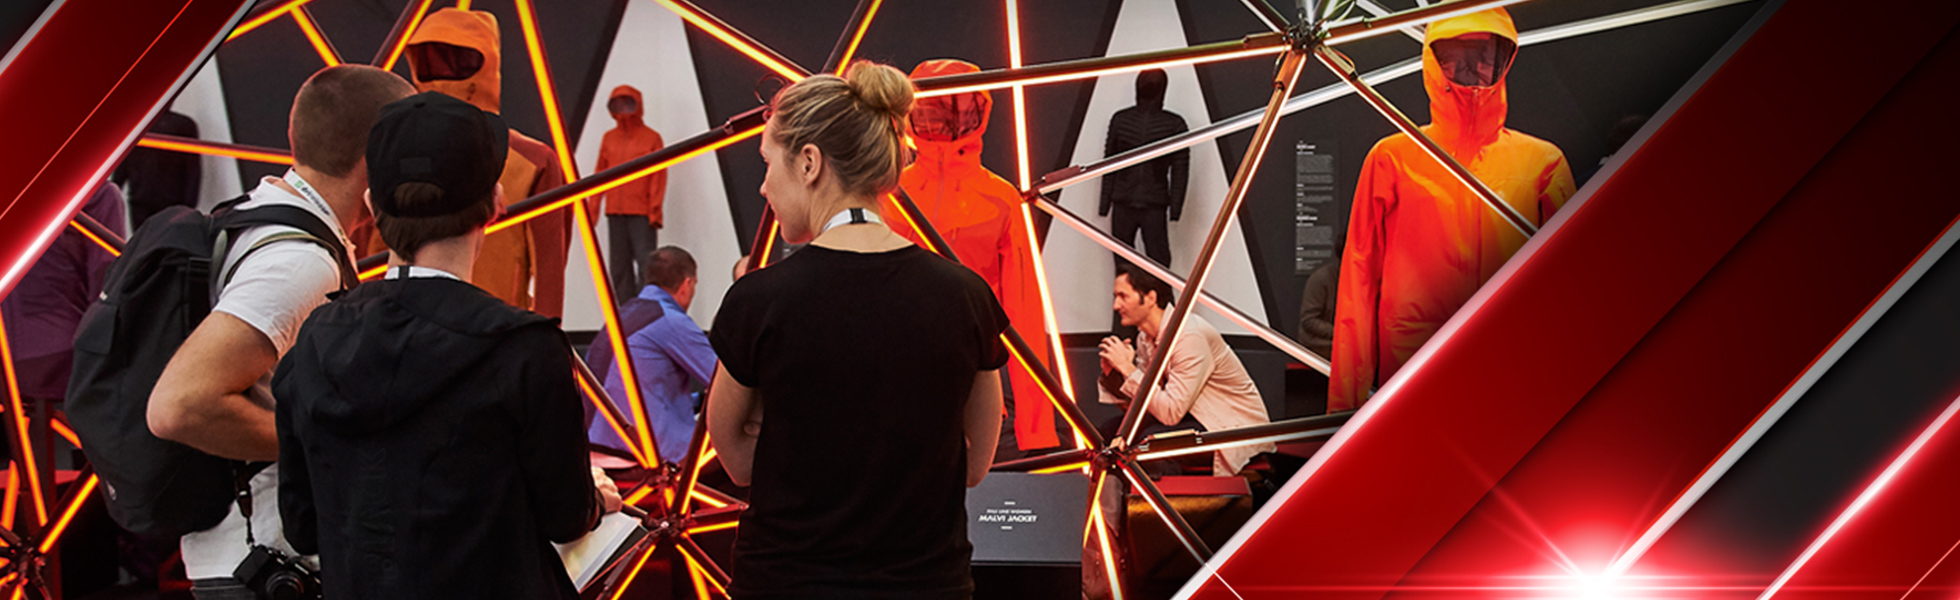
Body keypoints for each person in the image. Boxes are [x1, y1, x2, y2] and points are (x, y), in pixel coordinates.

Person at [274, 92, 621, 600]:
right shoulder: (524, 348)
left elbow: (302, 525)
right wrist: (595, 500)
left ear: (372, 206)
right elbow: (566, 517)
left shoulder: (315, 340)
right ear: (497, 203)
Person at [708, 60, 1004, 600]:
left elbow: (737, 458)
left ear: (809, 162)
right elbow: (976, 461)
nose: (762, 186)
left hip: (787, 583)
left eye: (767, 163)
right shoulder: (965, 295)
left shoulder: (759, 299)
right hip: (925, 586)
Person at [145, 65, 414, 598]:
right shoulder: (299, 262)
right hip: (265, 565)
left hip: (258, 557)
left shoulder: (266, 217)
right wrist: (338, 445)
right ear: (377, 155)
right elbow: (179, 405)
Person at [1330, 7, 1576, 412]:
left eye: (1483, 53)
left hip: (1511, 368)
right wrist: (1343, 412)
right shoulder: (1394, 158)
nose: (1470, 67)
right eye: (1453, 55)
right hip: (1415, 367)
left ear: (1504, 58)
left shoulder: (1541, 163)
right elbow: (1357, 284)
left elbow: (1572, 286)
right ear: (1431, 63)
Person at [879, 58, 1060, 458]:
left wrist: (1036, 429)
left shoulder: (1000, 198)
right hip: (893, 367)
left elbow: (1024, 309)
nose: (945, 118)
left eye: (956, 108)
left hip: (973, 367)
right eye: (933, 108)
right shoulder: (889, 191)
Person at [382, 7, 571, 317]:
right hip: (488, 334)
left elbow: (550, 272)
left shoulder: (388, 147)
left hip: (401, 331)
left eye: (454, 59)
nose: (443, 70)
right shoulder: (531, 160)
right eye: (435, 59)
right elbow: (551, 272)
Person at [1097, 262, 1272, 476]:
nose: (1116, 306)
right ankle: (1113, 507)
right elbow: (1142, 407)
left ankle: (1166, 508)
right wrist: (1114, 374)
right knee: (1108, 433)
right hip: (1192, 417)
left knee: (1147, 445)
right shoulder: (1144, 338)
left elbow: (1170, 413)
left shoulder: (1188, 335)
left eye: (1123, 296)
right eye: (1116, 297)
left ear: (1151, 298)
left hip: (1228, 426)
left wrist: (1128, 369)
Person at [584, 246, 716, 464]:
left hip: (594, 445)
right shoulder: (669, 320)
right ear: (687, 284)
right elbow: (725, 383)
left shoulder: (622, 316)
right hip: (643, 454)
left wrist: (697, 400)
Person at [1100, 68, 1188, 267]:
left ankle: (1162, 298)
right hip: (1134, 201)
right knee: (1136, 263)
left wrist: (1176, 207)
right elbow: (1109, 163)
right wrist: (1105, 201)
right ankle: (1143, 297)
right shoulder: (1172, 124)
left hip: (1148, 202)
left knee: (1156, 263)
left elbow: (1180, 171)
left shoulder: (1172, 124)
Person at [595, 85, 668, 303]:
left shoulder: (651, 138)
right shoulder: (609, 138)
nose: (623, 108)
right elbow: (600, 175)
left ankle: (644, 311)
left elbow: (658, 175)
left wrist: (654, 210)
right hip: (615, 213)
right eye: (618, 103)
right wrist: (593, 208)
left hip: (641, 213)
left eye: (628, 103)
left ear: (638, 105)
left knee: (646, 266)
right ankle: (625, 316)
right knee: (618, 267)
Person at [113, 111, 200, 231]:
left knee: (146, 243)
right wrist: (189, 205)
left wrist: (113, 192)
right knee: (169, 242)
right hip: (168, 200)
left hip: (144, 199)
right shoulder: (183, 124)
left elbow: (121, 169)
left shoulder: (133, 125)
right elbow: (193, 169)